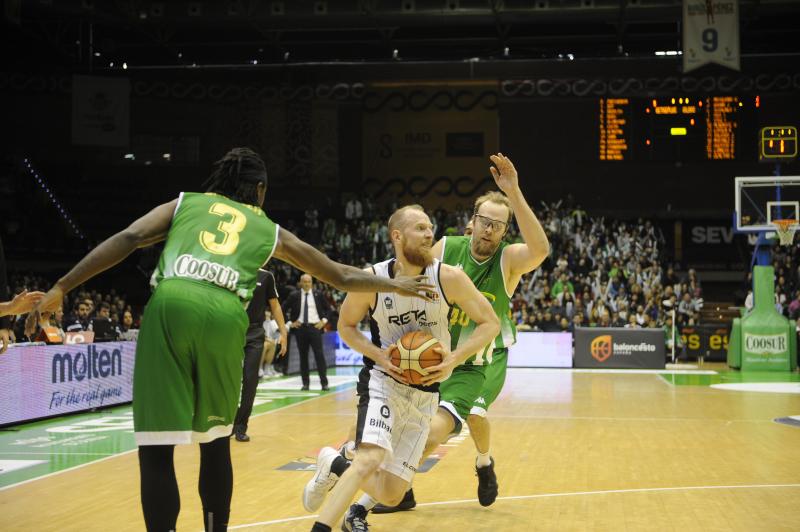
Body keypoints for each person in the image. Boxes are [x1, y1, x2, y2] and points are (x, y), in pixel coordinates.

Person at [25, 147, 437, 532]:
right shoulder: (265, 226)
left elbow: (129, 237)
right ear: (259, 190)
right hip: (223, 314)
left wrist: (63, 286)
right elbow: (339, 273)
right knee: (216, 444)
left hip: (170, 304)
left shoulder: (185, 202)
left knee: (156, 450)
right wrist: (396, 285)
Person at [371, 153, 550, 515]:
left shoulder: (509, 259)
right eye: (484, 221)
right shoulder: (446, 249)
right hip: (441, 352)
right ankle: (403, 489)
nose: (489, 229)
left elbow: (540, 250)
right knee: (416, 421)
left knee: (472, 416)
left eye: (498, 225)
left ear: (504, 232)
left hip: (486, 354)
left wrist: (513, 192)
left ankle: (484, 463)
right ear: (473, 221)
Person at [303, 204, 500, 532]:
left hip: (425, 394)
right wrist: (379, 356)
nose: (429, 234)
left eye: (430, 227)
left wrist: (454, 358)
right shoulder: (372, 279)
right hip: (383, 381)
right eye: (420, 228)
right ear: (397, 236)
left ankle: (334, 461)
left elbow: (489, 323)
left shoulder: (448, 277)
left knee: (393, 494)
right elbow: (347, 326)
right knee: (369, 460)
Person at [233, 268, 287, 442]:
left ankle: (241, 426)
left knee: (250, 380)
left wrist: (283, 333)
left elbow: (275, 305)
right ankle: (229, 423)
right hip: (231, 331)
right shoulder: (231, 269)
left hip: (255, 332)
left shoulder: (266, 276)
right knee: (229, 380)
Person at [283, 274, 333, 390]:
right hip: (300, 329)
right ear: (300, 283)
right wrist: (290, 323)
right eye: (304, 282)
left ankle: (324, 383)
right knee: (303, 357)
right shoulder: (294, 295)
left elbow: (329, 310)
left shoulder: (318, 295)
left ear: (312, 283)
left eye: (309, 282)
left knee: (319, 356)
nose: (306, 284)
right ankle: (305, 384)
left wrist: (323, 321)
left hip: (315, 328)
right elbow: (282, 309)